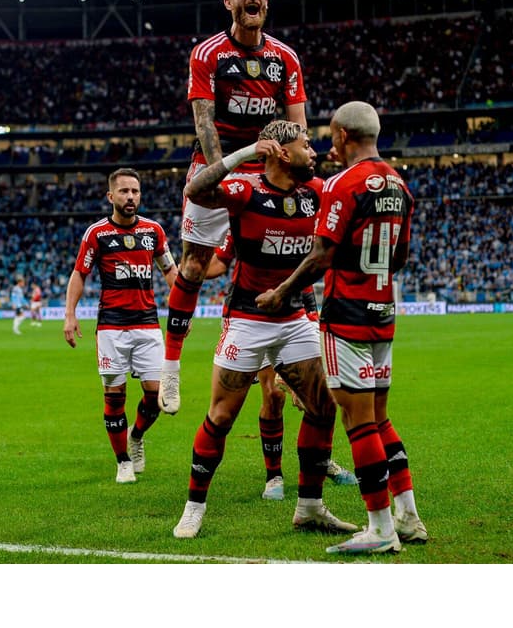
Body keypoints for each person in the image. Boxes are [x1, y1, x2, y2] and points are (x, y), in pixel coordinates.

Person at [257, 100, 428, 555]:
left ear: (341, 135)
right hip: (383, 316)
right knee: (380, 417)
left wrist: (281, 293)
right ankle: (408, 516)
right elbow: (401, 258)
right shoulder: (399, 185)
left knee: (357, 422)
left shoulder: (342, 185)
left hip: (347, 317)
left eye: (328, 135)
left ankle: (380, 528)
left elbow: (320, 256)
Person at [171, 120, 356, 542]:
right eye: (306, 146)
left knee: (324, 406)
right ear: (281, 153)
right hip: (247, 320)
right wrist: (241, 155)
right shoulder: (247, 190)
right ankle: (193, 507)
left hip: (294, 320)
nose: (314, 152)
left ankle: (309, 507)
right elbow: (195, 191)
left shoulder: (316, 193)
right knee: (221, 416)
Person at [158, 0, 308, 416]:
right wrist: (230, 168)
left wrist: (291, 170)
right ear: (229, 2)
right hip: (218, 167)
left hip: (268, 171)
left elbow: (298, 127)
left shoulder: (285, 59)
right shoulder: (208, 54)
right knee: (194, 265)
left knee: (287, 260)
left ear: (266, 0)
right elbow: (205, 127)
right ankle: (170, 366)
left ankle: (298, 364)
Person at [206, 235, 357, 500]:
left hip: (297, 306)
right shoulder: (250, 211)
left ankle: (323, 462)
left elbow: (312, 268)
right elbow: (219, 262)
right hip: (252, 313)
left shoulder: (304, 210)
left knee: (320, 398)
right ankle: (273, 475)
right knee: (273, 395)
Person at [63, 168, 178, 483]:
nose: (131, 197)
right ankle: (123, 461)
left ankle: (136, 436)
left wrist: (183, 310)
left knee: (157, 397)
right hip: (112, 328)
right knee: (114, 396)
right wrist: (70, 314)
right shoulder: (96, 234)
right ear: (110, 196)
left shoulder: (154, 231)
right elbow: (79, 274)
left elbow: (170, 271)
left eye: (135, 191)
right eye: (125, 191)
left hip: (147, 325)